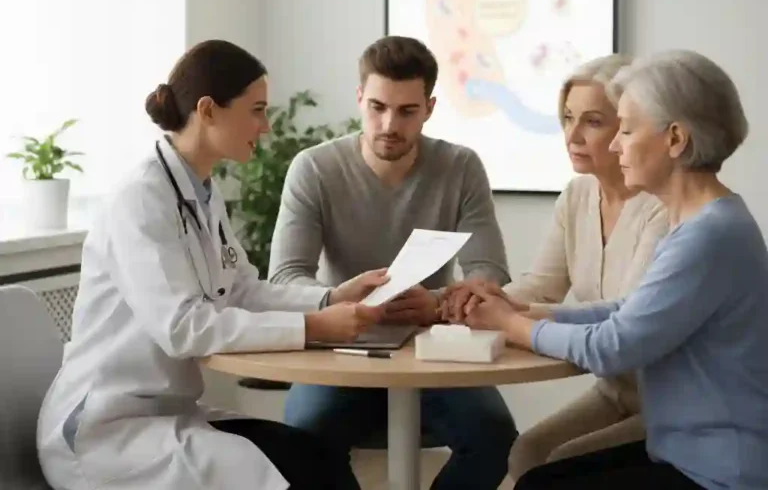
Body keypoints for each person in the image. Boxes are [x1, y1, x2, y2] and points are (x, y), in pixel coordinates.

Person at [36, 39, 394, 490]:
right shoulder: (140, 199)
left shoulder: (201, 194)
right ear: (208, 110)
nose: (265, 126)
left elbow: (242, 289)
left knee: (317, 459)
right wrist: (314, 326)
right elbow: (183, 326)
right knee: (301, 476)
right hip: (105, 429)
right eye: (257, 109)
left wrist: (330, 296)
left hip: (165, 412)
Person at [460, 49, 768, 490]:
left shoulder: (708, 235)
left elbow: (613, 346)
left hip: (717, 472)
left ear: (675, 139)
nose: (616, 144)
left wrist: (511, 324)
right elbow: (630, 310)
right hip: (686, 453)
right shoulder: (705, 221)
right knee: (537, 469)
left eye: (625, 128)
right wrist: (529, 314)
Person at [267, 35, 517, 490]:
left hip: (432, 345)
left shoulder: (461, 168)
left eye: (406, 111)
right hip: (339, 343)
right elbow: (285, 277)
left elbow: (490, 274)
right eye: (377, 106)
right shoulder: (314, 168)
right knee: (302, 441)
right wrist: (338, 299)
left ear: (430, 108)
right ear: (360, 97)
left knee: (496, 439)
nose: (388, 124)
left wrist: (437, 304)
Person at [442, 53, 669, 482]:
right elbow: (541, 288)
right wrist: (471, 298)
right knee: (527, 450)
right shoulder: (577, 195)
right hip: (614, 390)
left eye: (593, 121)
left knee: (560, 462)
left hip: (666, 402)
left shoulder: (661, 206)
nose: (573, 135)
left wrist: (511, 319)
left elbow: (627, 312)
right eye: (567, 118)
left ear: (626, 124)